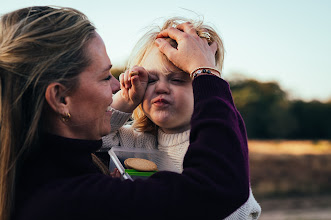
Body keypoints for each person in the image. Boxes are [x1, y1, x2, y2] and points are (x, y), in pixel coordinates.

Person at [0, 6, 249, 220]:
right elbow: (217, 187)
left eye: (179, 79)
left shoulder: (39, 169)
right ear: (61, 98)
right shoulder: (65, 199)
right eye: (103, 77)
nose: (117, 85)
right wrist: (205, 73)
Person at [103, 17, 261, 219]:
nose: (160, 87)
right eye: (149, 80)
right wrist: (125, 100)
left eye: (177, 79)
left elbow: (229, 204)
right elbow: (92, 137)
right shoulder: (134, 140)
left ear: (204, 87)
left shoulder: (215, 146)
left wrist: (202, 69)